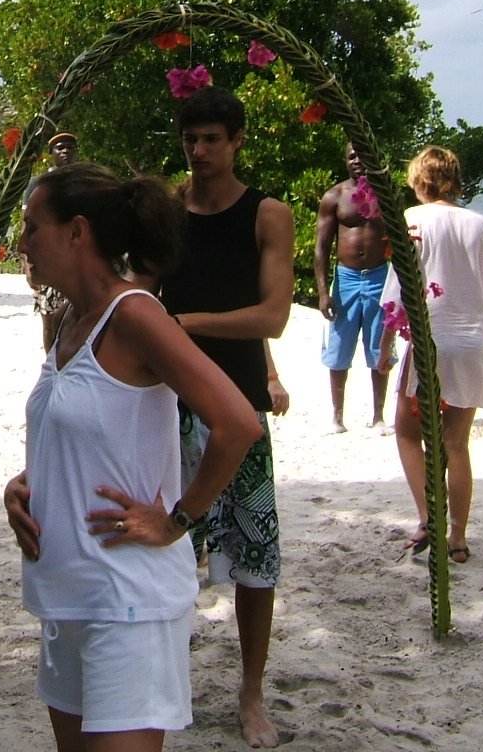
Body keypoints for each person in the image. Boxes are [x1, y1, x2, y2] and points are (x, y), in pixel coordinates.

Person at [4, 162, 260, 751]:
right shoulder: (71, 319)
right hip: (67, 598)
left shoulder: (136, 315)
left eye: (32, 227)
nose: (22, 243)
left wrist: (177, 520)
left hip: (128, 603)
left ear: (77, 232)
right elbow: (88, 434)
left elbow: (238, 423)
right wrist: (25, 484)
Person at [158, 86, 294, 749]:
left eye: (213, 138)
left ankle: (251, 691)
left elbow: (273, 314)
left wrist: (184, 327)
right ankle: (162, 679)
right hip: (164, 404)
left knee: (254, 558)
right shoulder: (165, 212)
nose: (201, 151)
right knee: (164, 547)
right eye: (191, 140)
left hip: (237, 403)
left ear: (237, 140)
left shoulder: (268, 214)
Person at [392, 145, 483, 567]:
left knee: (407, 432)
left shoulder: (410, 219)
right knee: (456, 443)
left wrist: (388, 341)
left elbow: (400, 285)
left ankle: (427, 518)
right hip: (474, 340)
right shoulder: (479, 223)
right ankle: (458, 537)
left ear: (420, 180)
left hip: (429, 338)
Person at [314, 145, 396, 433]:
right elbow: (322, 247)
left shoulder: (386, 195)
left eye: (363, 155)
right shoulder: (334, 197)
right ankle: (337, 416)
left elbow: (402, 242)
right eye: (351, 156)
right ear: (345, 160)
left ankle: (379, 416)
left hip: (379, 277)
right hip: (346, 278)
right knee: (339, 348)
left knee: (379, 347)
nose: (358, 161)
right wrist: (323, 292)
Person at [26, 132, 80, 326]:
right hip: (48, 260)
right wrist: (28, 266)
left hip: (78, 262)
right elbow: (28, 226)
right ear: (52, 153)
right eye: (60, 148)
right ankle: (51, 357)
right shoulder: (39, 185)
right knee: (48, 317)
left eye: (70, 147)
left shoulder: (84, 183)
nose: (66, 151)